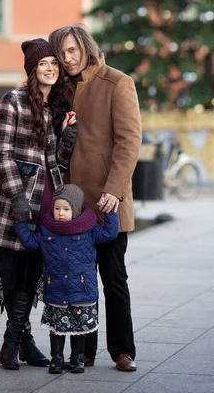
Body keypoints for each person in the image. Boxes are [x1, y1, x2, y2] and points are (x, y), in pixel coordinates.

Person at [0, 38, 78, 371]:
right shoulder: (12, 101)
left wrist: (67, 137)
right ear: (33, 70)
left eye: (54, 64)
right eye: (43, 64)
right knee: (17, 274)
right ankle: (13, 346)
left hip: (46, 199)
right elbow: (1, 153)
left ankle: (19, 343)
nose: (49, 69)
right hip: (13, 201)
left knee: (31, 274)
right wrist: (17, 195)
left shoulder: (54, 108)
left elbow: (55, 163)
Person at [49, 25, 141, 372]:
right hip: (72, 205)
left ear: (86, 47)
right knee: (79, 278)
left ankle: (122, 350)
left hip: (108, 201)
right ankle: (83, 349)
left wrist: (113, 190)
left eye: (73, 50)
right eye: (62, 53)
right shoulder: (62, 89)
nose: (67, 58)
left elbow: (129, 142)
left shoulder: (118, 82)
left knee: (114, 277)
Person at [14, 184, 119, 375]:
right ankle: (57, 358)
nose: (61, 213)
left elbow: (109, 233)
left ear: (76, 210)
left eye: (66, 209)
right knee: (57, 328)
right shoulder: (48, 231)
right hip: (57, 289)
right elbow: (30, 242)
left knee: (80, 329)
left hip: (82, 290)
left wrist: (111, 211)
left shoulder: (88, 230)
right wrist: (19, 222)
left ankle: (77, 358)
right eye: (57, 208)